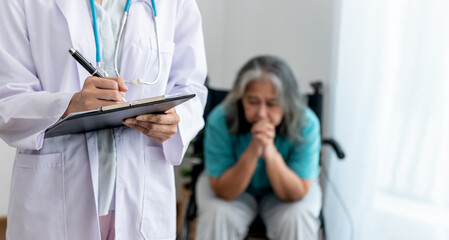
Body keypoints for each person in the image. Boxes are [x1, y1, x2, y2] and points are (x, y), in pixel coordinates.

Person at [0, 0, 207, 239]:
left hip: (141, 189)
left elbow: (192, 86)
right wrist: (71, 104)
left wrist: (175, 120)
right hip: (56, 192)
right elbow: (7, 99)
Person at [195, 56, 322, 240]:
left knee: (298, 215)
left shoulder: (306, 123)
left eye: (271, 103)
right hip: (231, 189)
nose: (261, 113)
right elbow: (223, 190)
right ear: (241, 98)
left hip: (286, 192)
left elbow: (297, 192)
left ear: (288, 102)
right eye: (253, 102)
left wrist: (269, 152)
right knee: (218, 212)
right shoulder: (220, 119)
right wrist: (254, 150)